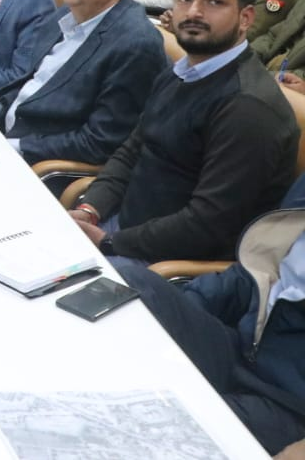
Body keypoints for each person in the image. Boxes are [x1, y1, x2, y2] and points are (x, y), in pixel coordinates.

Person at [68, 0, 298, 266]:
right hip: (122, 230)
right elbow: (132, 151)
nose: (193, 12)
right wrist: (90, 209)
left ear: (245, 18)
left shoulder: (248, 108)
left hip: (169, 264)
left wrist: (109, 242)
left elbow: (207, 225)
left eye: (214, 2)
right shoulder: (181, 71)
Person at [118, 187, 305, 457]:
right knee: (134, 285)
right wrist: (184, 318)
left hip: (288, 404)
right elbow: (255, 272)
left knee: (171, 427)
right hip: (242, 348)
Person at [0, 0, 168, 165]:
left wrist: (12, 148)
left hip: (39, 164)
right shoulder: (64, 15)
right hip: (1, 135)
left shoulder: (135, 44)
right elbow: (31, 82)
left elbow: (100, 142)